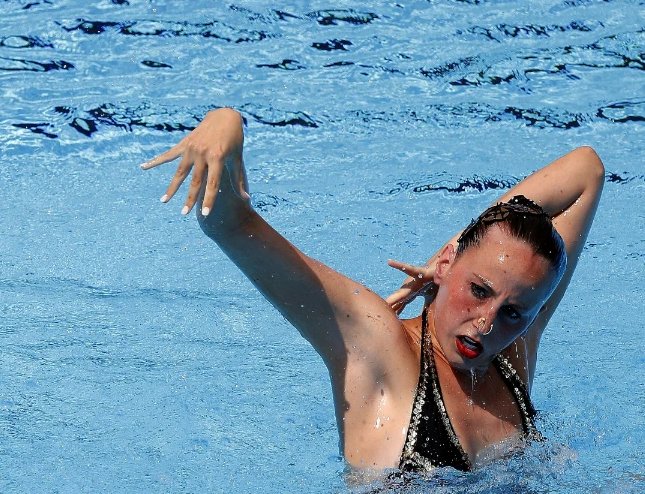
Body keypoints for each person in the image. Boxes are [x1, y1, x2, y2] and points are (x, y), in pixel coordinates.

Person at [141, 108, 604, 471]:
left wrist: (469, 263)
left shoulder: (513, 350)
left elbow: (587, 170)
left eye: (513, 312)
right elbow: (229, 224)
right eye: (478, 289)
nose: (486, 323)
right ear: (444, 265)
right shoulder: (377, 345)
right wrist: (226, 122)